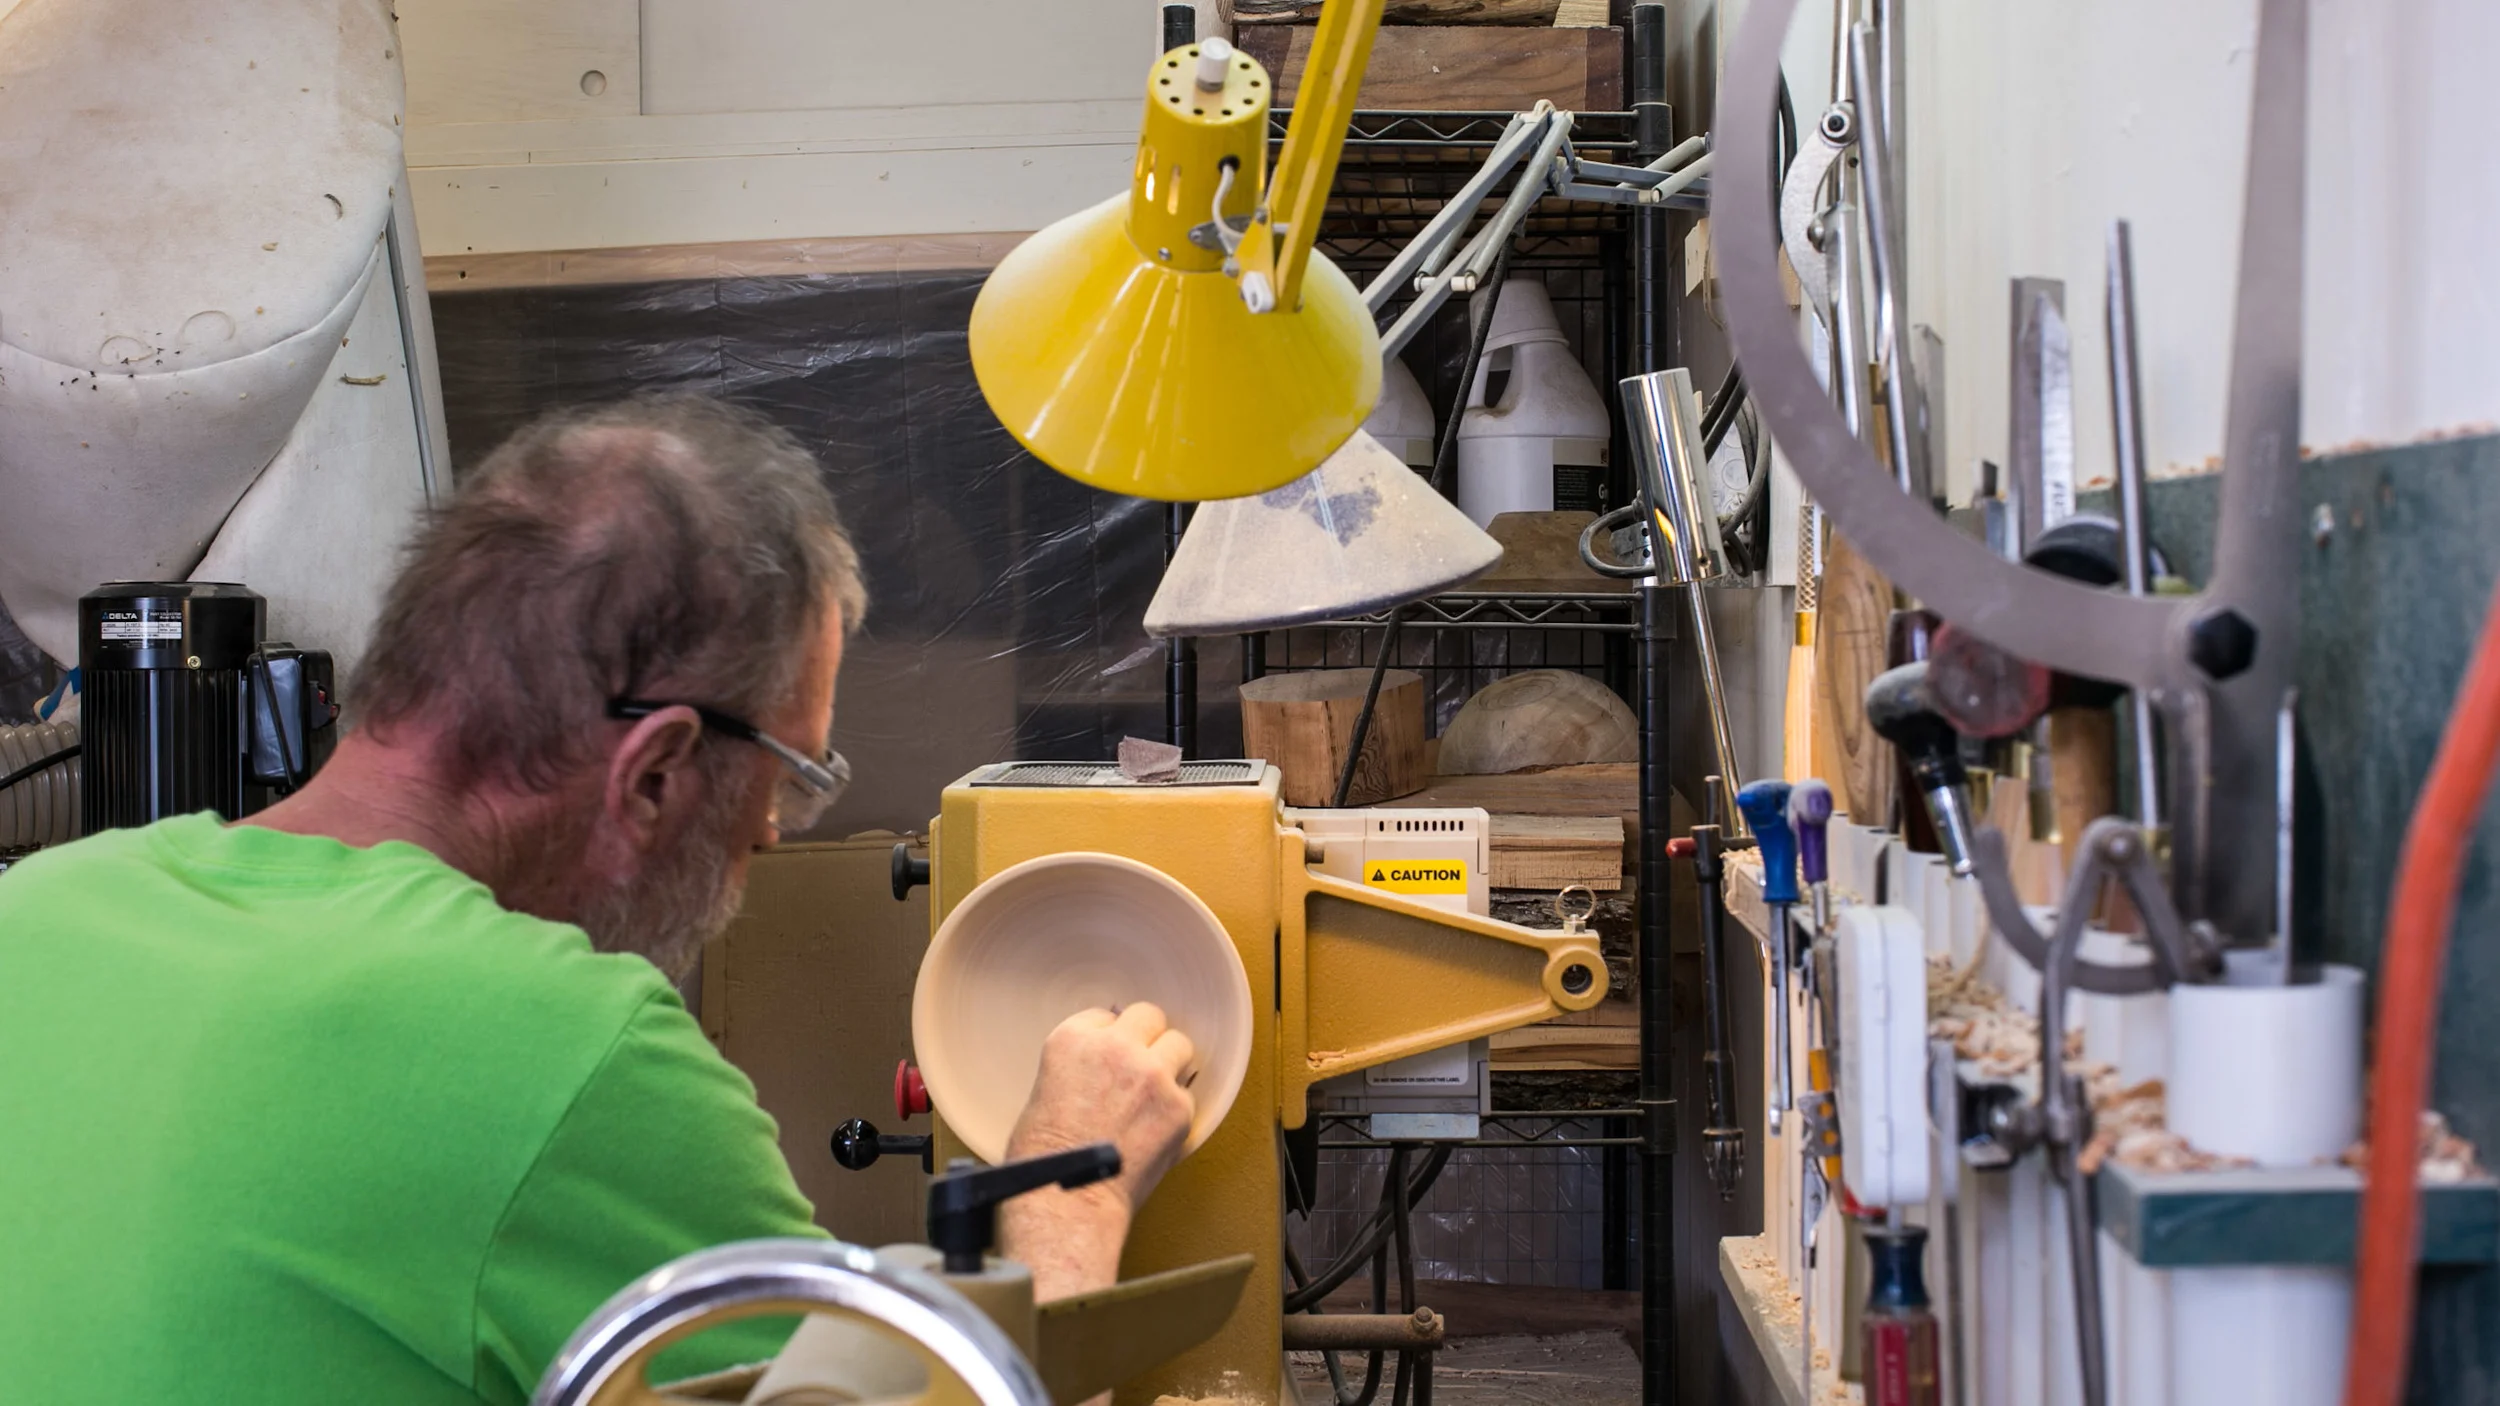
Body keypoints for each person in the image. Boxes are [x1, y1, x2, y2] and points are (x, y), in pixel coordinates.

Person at [0, 396, 1196, 1403]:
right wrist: (1068, 1192)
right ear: (658, 769)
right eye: (788, 778)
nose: (773, 832)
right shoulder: (563, 1047)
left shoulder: (43, 910)